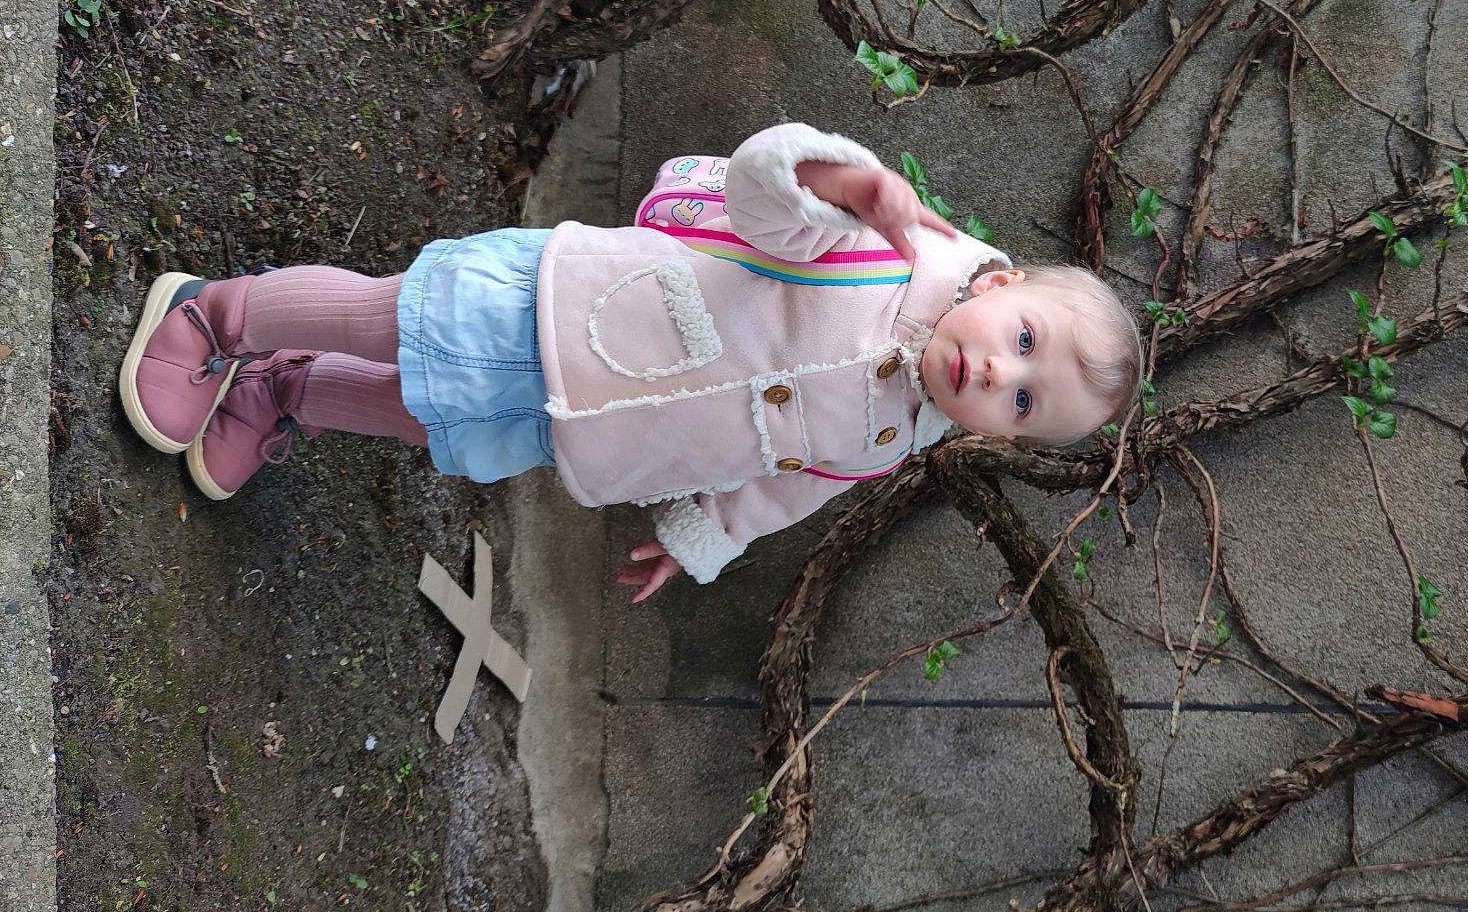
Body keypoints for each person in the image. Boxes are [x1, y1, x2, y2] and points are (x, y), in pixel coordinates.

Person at [116, 123, 1143, 601]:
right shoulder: (891, 245)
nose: (999, 376)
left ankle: (282, 388)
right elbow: (756, 194)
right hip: (576, 305)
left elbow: (787, 486)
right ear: (1003, 284)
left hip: (591, 431)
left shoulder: (892, 435)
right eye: (1022, 344)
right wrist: (840, 179)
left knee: (427, 412)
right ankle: (222, 315)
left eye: (1021, 403)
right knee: (402, 321)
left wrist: (701, 537)